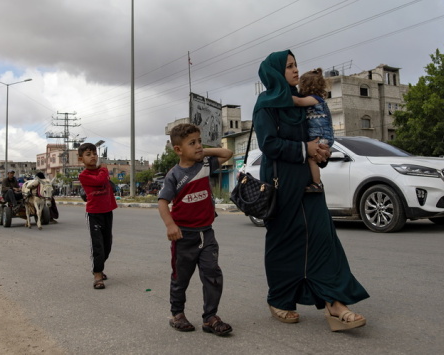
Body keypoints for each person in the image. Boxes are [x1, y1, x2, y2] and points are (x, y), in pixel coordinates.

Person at [253, 50, 369, 331]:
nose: (295, 70)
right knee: (283, 244)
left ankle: (335, 303)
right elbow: (268, 144)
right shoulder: (266, 104)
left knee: (324, 239)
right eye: (289, 66)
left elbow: (315, 135)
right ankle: (280, 298)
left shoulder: (302, 104)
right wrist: (304, 148)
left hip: (311, 184)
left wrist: (321, 152)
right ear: (275, 72)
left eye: (296, 65)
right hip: (282, 185)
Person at [157, 123, 234, 336]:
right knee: (180, 277)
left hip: (207, 233)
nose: (199, 146)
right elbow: (162, 202)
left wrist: (202, 151)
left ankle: (210, 317)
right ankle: (177, 314)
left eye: (199, 141)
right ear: (178, 150)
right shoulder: (174, 175)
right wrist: (170, 225)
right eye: (192, 143)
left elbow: (228, 152)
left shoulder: (206, 165)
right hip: (184, 236)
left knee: (213, 275)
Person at [78, 142, 117, 290]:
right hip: (94, 213)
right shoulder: (84, 175)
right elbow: (100, 180)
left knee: (108, 244)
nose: (93, 157)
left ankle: (99, 265)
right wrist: (104, 171)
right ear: (81, 159)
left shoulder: (102, 171)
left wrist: (104, 171)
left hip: (107, 211)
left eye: (94, 153)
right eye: (88, 155)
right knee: (98, 245)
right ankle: (98, 274)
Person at [292, 68, 334, 192]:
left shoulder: (315, 99)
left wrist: (284, 96)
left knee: (312, 158)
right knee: (312, 159)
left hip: (322, 136)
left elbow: (299, 102)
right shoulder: (316, 100)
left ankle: (317, 184)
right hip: (320, 135)